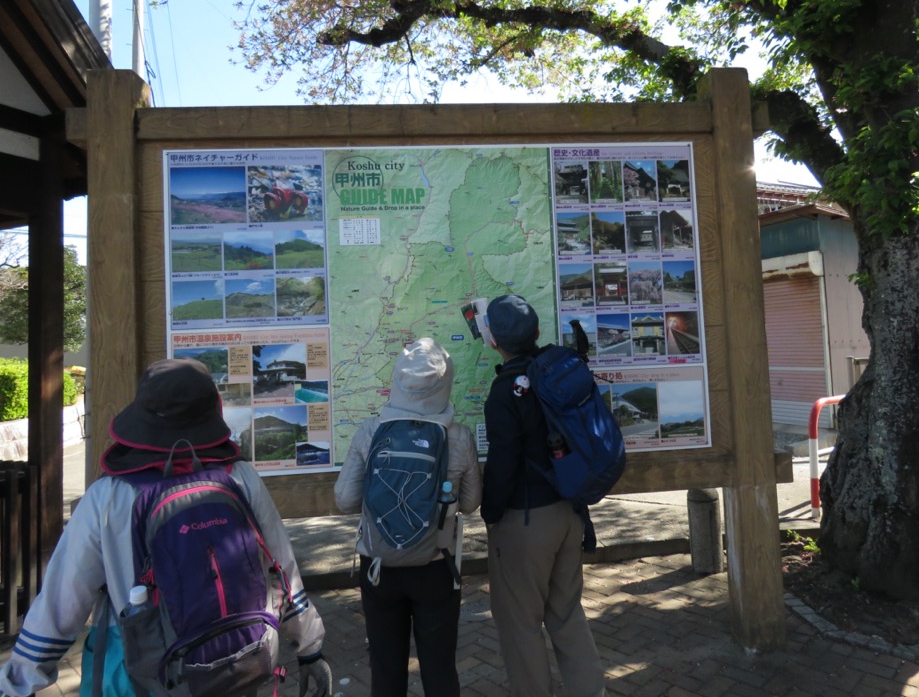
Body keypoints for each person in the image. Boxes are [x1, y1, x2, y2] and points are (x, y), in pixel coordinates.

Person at [0, 358, 332, 697]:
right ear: (211, 410)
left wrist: (19, 680)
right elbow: (282, 567)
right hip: (238, 660)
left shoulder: (110, 495)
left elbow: (63, 599)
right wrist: (310, 646)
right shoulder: (240, 477)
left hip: (144, 672)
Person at [334, 337, 481, 697]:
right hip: (436, 565)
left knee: (385, 665)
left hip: (379, 565)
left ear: (397, 380)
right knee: (439, 665)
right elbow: (472, 503)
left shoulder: (371, 432)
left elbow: (345, 499)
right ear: (445, 384)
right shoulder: (458, 437)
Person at [482, 294, 606, 697]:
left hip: (526, 521)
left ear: (493, 341)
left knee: (521, 626)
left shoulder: (504, 392)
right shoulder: (557, 370)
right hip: (571, 512)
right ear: (537, 333)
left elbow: (503, 462)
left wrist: (492, 513)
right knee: (567, 614)